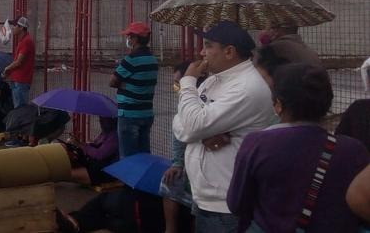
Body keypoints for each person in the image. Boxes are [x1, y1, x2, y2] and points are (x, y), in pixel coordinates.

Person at [228, 63, 369, 233]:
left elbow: (236, 204)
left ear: (278, 105)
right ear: (327, 102)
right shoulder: (353, 150)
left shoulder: (258, 143)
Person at [172, 20, 276, 233]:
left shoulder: (247, 87)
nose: (202, 52)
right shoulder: (213, 81)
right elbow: (181, 123)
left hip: (226, 202)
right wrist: (201, 132)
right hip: (206, 196)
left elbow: (192, 124)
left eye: (209, 46)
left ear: (229, 51)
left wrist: (188, 82)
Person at [110, 22, 158, 158]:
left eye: (130, 36)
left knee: (128, 158)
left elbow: (112, 82)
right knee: (144, 155)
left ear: (135, 39)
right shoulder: (153, 60)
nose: (128, 39)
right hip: (147, 113)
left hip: (129, 114)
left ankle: (127, 180)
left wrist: (124, 84)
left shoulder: (130, 60)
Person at [160, 61, 197, 233]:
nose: (176, 88)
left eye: (178, 83)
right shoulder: (183, 107)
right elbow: (177, 139)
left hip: (206, 168)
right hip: (188, 164)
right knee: (169, 180)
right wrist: (177, 163)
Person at [1, 16, 35, 147]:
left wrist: (6, 69)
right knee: (18, 109)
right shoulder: (22, 41)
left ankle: (22, 139)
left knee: (21, 110)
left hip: (22, 80)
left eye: (15, 26)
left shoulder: (26, 41)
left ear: (21, 28)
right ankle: (20, 136)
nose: (12, 28)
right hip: (17, 80)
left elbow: (19, 62)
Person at [65, 116, 119, 186]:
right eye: (100, 120)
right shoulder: (104, 133)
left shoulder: (114, 136)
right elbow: (93, 145)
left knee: (67, 173)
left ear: (112, 121)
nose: (101, 122)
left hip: (104, 170)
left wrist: (81, 145)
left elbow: (99, 154)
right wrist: (80, 143)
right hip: (95, 165)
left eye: (103, 120)